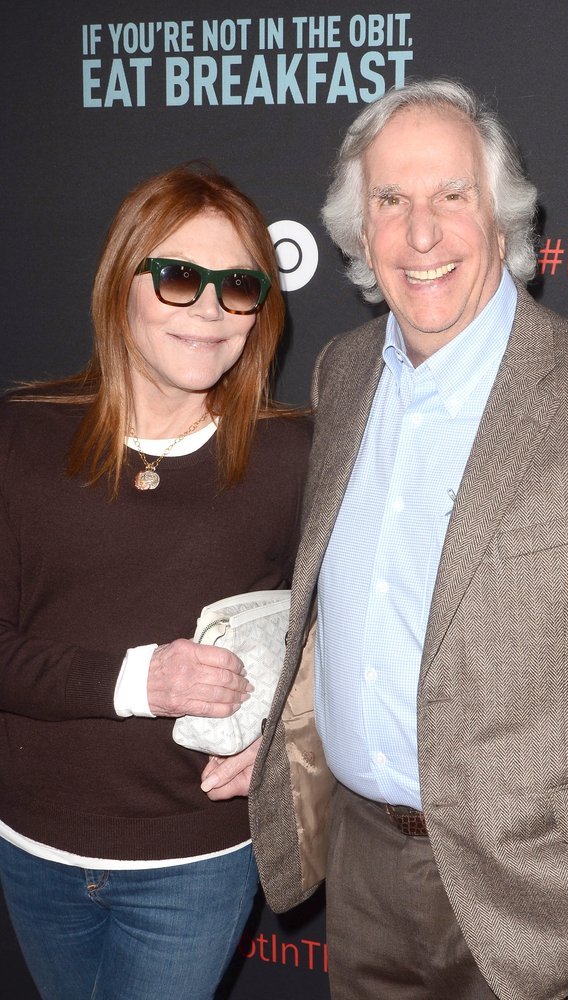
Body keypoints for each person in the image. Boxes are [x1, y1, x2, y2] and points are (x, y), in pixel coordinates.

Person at [205, 78, 568, 999]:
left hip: (545, 893)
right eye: (391, 201)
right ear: (358, 233)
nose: (422, 234)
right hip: (363, 868)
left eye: (451, 195)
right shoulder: (342, 376)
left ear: (501, 219)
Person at [0, 162, 311, 1000]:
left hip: (198, 860)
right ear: (120, 284)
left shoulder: (294, 456)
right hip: (31, 844)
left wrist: (288, 737)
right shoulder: (21, 438)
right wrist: (145, 678)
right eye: (178, 277)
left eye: (237, 286)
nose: (209, 311)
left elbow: (340, 634)